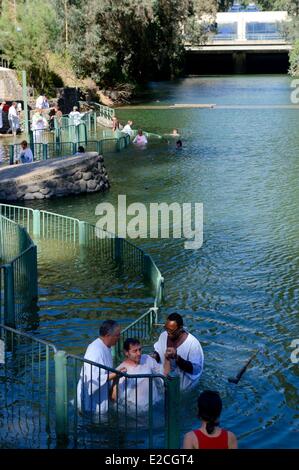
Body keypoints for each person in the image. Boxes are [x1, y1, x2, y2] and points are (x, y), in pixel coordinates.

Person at [77, 320, 126, 415]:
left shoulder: (105, 347)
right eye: (117, 335)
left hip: (100, 396)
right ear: (108, 336)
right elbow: (93, 381)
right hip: (92, 402)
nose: (119, 338)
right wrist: (116, 374)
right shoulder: (96, 351)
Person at [153, 313, 204, 391]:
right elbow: (158, 351)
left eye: (171, 331)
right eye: (166, 329)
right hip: (165, 384)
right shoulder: (163, 336)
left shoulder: (193, 344)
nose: (168, 333)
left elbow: (195, 369)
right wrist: (154, 356)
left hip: (184, 389)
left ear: (180, 328)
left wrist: (177, 358)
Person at [112, 338, 163, 410]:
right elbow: (115, 398)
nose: (139, 353)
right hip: (137, 410)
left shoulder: (147, 358)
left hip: (156, 403)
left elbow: (160, 374)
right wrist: (115, 380)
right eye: (135, 351)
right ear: (126, 352)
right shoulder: (120, 370)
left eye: (140, 349)